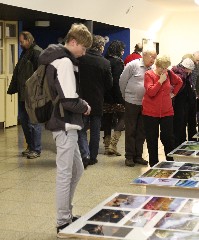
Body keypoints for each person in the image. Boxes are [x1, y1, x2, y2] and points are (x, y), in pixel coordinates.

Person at [37, 23, 93, 234]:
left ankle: (67, 214)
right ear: (72, 42)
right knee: (65, 173)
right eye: (83, 48)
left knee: (76, 169)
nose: (84, 53)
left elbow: (64, 95)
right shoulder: (65, 63)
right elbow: (69, 101)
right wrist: (85, 106)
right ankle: (62, 221)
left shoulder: (57, 59)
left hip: (65, 123)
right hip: (65, 124)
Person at [78, 35, 113, 168]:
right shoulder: (105, 63)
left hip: (81, 99)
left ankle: (84, 154)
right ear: (100, 47)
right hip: (98, 100)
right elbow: (109, 84)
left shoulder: (81, 59)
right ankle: (93, 157)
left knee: (81, 128)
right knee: (95, 130)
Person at [7, 31, 43, 159]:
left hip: (32, 94)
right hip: (23, 94)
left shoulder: (38, 53)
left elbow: (41, 75)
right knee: (24, 121)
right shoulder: (25, 52)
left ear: (28, 40)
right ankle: (31, 146)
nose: (20, 44)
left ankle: (36, 149)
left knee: (34, 122)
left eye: (22, 41)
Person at [119, 48, 157, 167]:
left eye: (155, 58)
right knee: (131, 129)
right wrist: (126, 96)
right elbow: (122, 81)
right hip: (131, 102)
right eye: (152, 57)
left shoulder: (152, 69)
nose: (153, 60)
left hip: (146, 103)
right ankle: (129, 156)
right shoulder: (133, 65)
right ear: (144, 55)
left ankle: (138, 156)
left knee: (142, 130)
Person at [142, 55, 183, 167]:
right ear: (157, 65)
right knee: (152, 139)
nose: (164, 70)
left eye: (166, 68)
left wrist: (173, 93)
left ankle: (170, 163)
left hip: (167, 112)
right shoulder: (148, 75)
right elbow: (150, 92)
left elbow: (179, 82)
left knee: (168, 138)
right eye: (162, 68)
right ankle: (154, 165)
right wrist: (160, 81)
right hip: (150, 112)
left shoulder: (169, 73)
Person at [102, 40, 126, 156]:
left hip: (105, 95)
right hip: (116, 95)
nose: (123, 51)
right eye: (122, 49)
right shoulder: (118, 63)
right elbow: (117, 82)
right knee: (123, 116)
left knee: (107, 119)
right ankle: (113, 144)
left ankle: (106, 146)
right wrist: (120, 98)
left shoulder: (104, 60)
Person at [171, 58, 195, 147]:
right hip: (178, 105)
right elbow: (175, 92)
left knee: (182, 126)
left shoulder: (185, 75)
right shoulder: (180, 76)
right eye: (190, 70)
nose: (191, 72)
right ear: (186, 68)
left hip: (184, 105)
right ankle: (178, 146)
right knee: (179, 127)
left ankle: (182, 144)